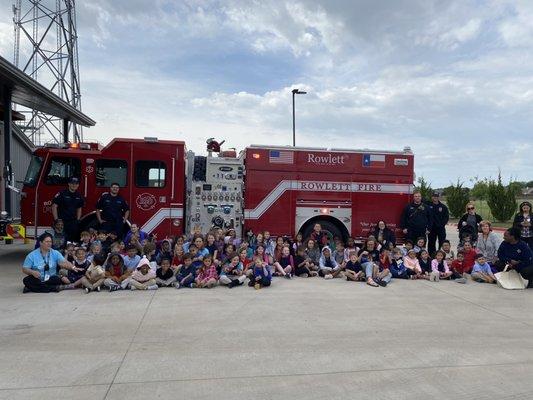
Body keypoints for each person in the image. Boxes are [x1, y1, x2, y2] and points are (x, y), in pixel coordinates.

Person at [51, 176, 85, 242]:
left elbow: (79, 208)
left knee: (71, 239)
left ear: (78, 185)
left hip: (72, 221)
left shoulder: (79, 196)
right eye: (72, 183)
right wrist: (56, 220)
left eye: (76, 184)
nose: (74, 185)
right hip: (61, 221)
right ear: (69, 184)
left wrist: (78, 220)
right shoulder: (62, 194)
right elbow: (54, 206)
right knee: (60, 239)